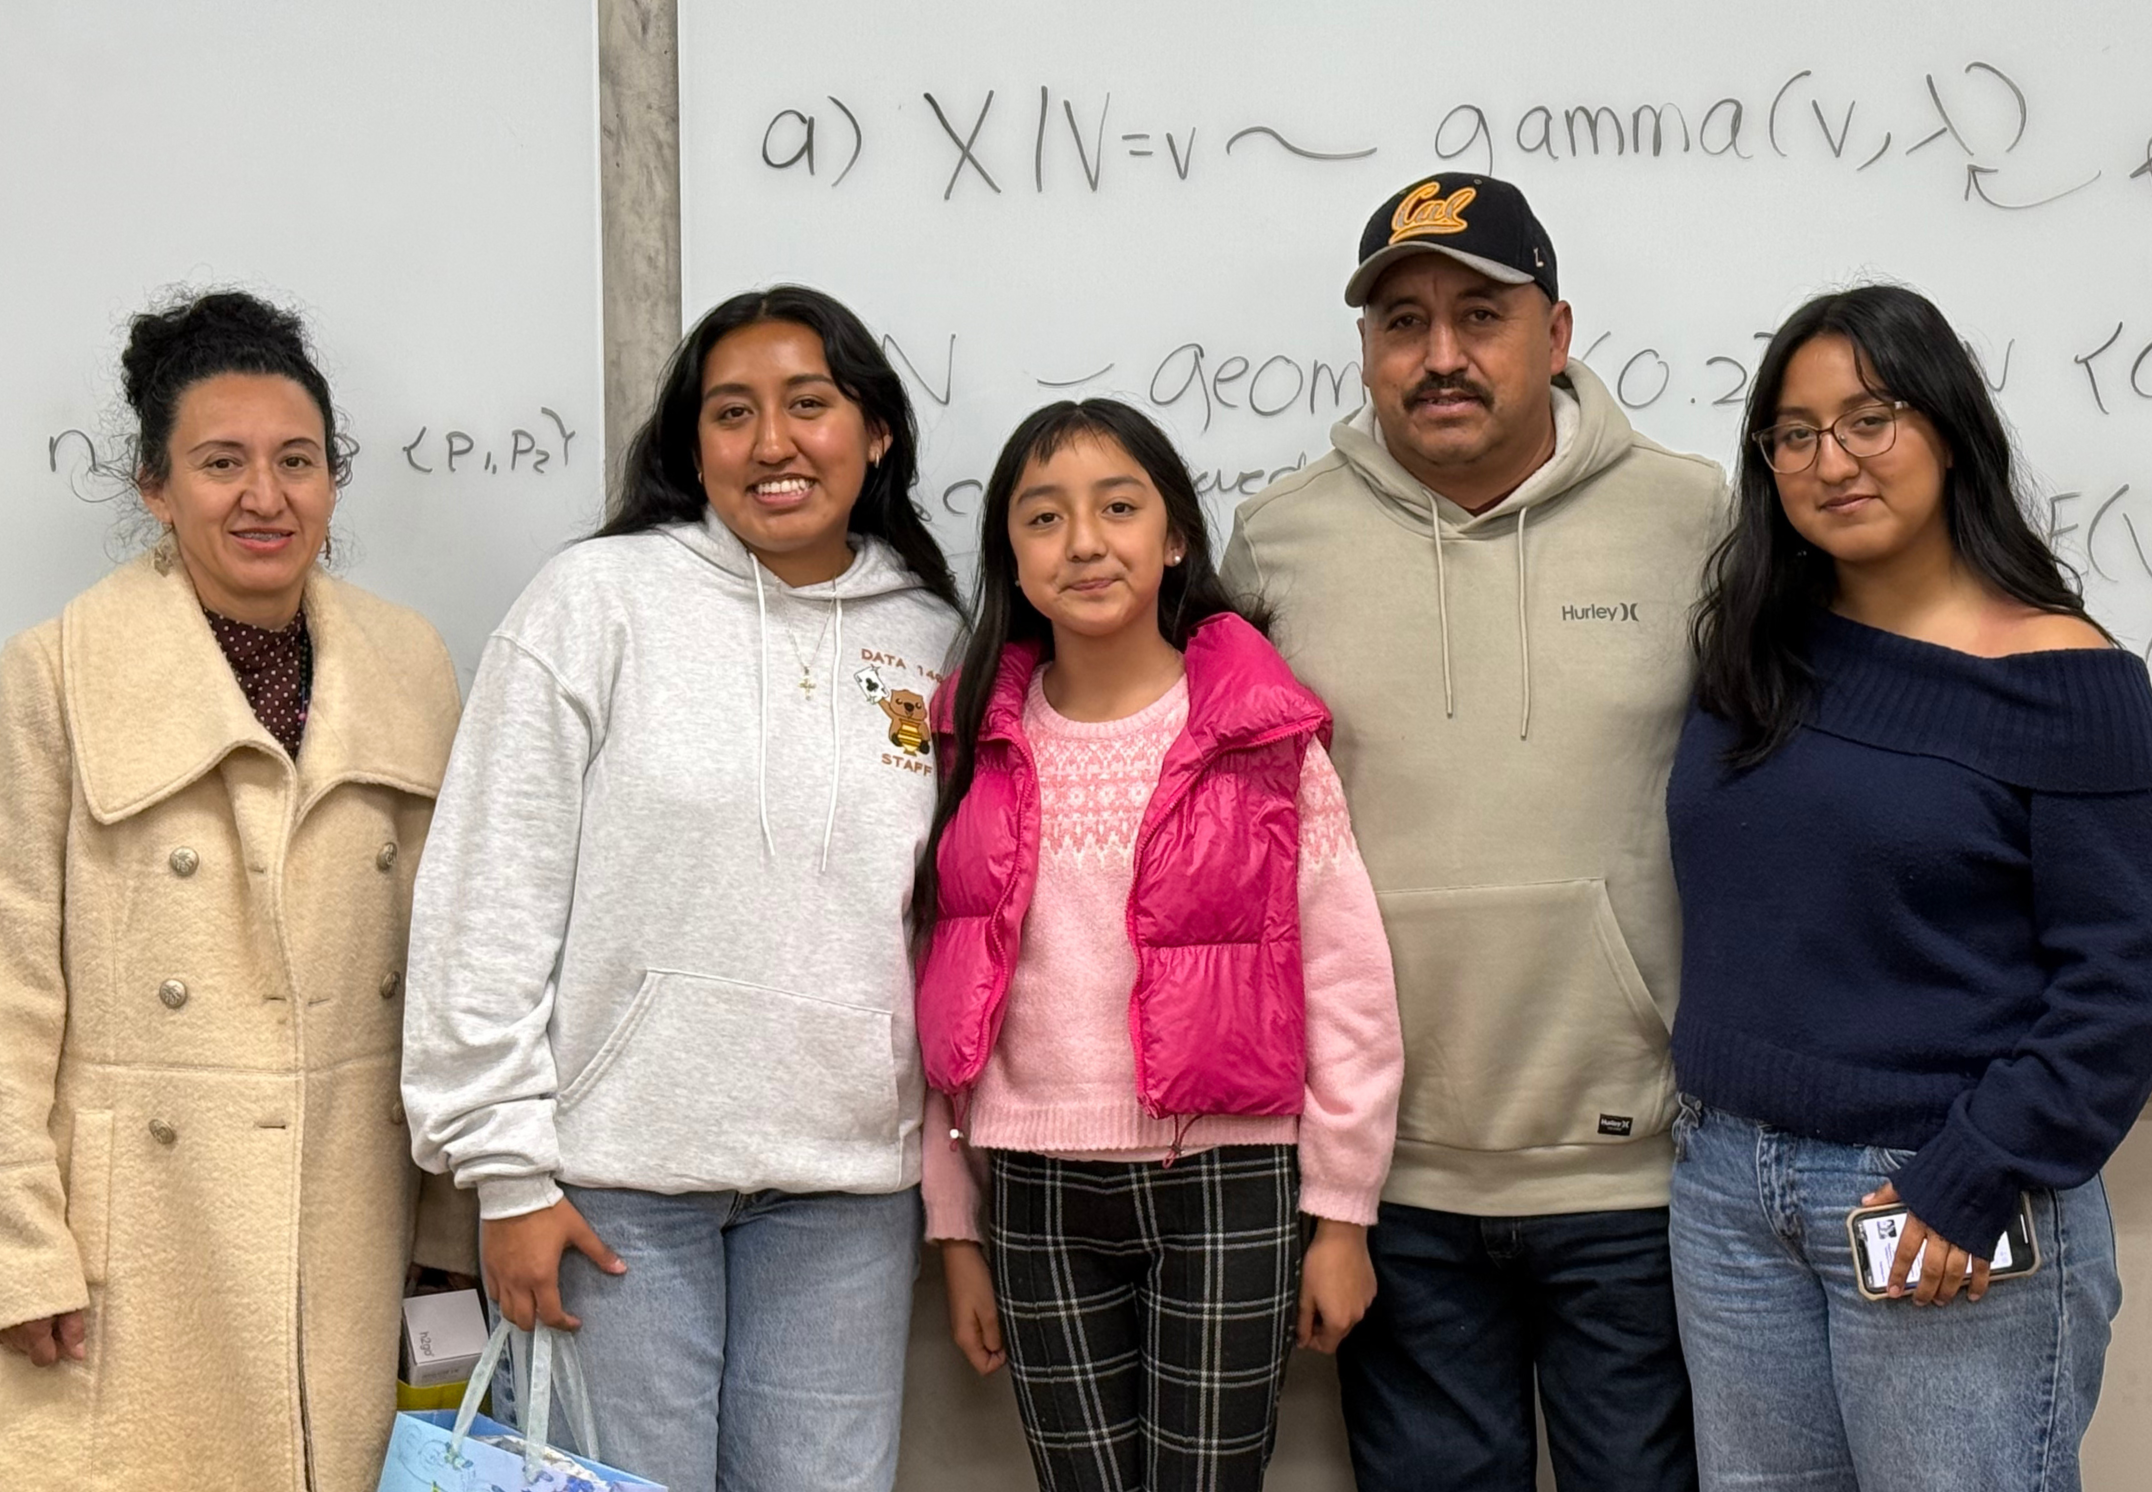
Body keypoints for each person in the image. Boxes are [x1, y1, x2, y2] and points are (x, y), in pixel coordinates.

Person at [401, 285, 962, 1492]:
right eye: (732, 413)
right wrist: (505, 1172)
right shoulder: (596, 601)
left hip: (845, 1196)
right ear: (689, 443)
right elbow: (489, 886)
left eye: (807, 405)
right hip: (610, 1193)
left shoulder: (934, 640)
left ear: (873, 432)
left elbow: (953, 920)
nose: (771, 443)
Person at [1220, 173, 1724, 1491]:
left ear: (1555, 335)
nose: (1441, 355)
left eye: (1480, 315)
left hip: (1640, 1181)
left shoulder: (1702, 525)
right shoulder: (1277, 544)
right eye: (1402, 320)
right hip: (1391, 1187)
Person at [1665, 283, 2152, 1491]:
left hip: (1934, 1192)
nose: (1830, 459)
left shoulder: (2065, 681)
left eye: (1870, 418)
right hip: (1725, 1192)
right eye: (1793, 433)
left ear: (1948, 426)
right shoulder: (1752, 650)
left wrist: (1975, 1171)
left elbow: (2131, 973)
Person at [0, 291, 476, 1492]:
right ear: (156, 487)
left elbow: (457, 965)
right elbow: (8, 984)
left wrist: (450, 1230)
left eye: (296, 462)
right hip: (136, 1233)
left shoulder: (409, 664)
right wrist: (21, 1253)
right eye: (222, 463)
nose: (264, 496)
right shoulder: (56, 674)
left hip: (353, 1212)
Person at [917, 398, 1403, 1492]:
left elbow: (1346, 981)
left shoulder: (1256, 734)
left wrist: (1340, 1216)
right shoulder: (973, 743)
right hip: (1034, 1189)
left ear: (1174, 533)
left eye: (1118, 507)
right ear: (1010, 551)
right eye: (1043, 518)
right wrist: (955, 1232)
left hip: (1228, 1177)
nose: (1083, 542)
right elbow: (942, 993)